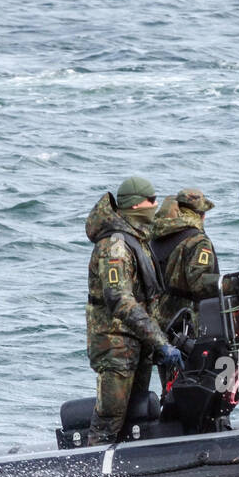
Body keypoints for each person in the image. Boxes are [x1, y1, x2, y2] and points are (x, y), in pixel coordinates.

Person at [84, 175, 183, 445]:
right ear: (137, 205)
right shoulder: (115, 246)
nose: (156, 205)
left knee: (135, 416)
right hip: (115, 345)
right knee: (110, 418)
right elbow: (120, 299)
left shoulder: (137, 239)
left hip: (137, 344)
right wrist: (159, 341)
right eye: (152, 200)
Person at [149, 187, 221, 332]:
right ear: (202, 215)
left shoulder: (155, 236)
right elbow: (199, 283)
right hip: (185, 321)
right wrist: (227, 284)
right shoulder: (199, 240)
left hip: (155, 318)